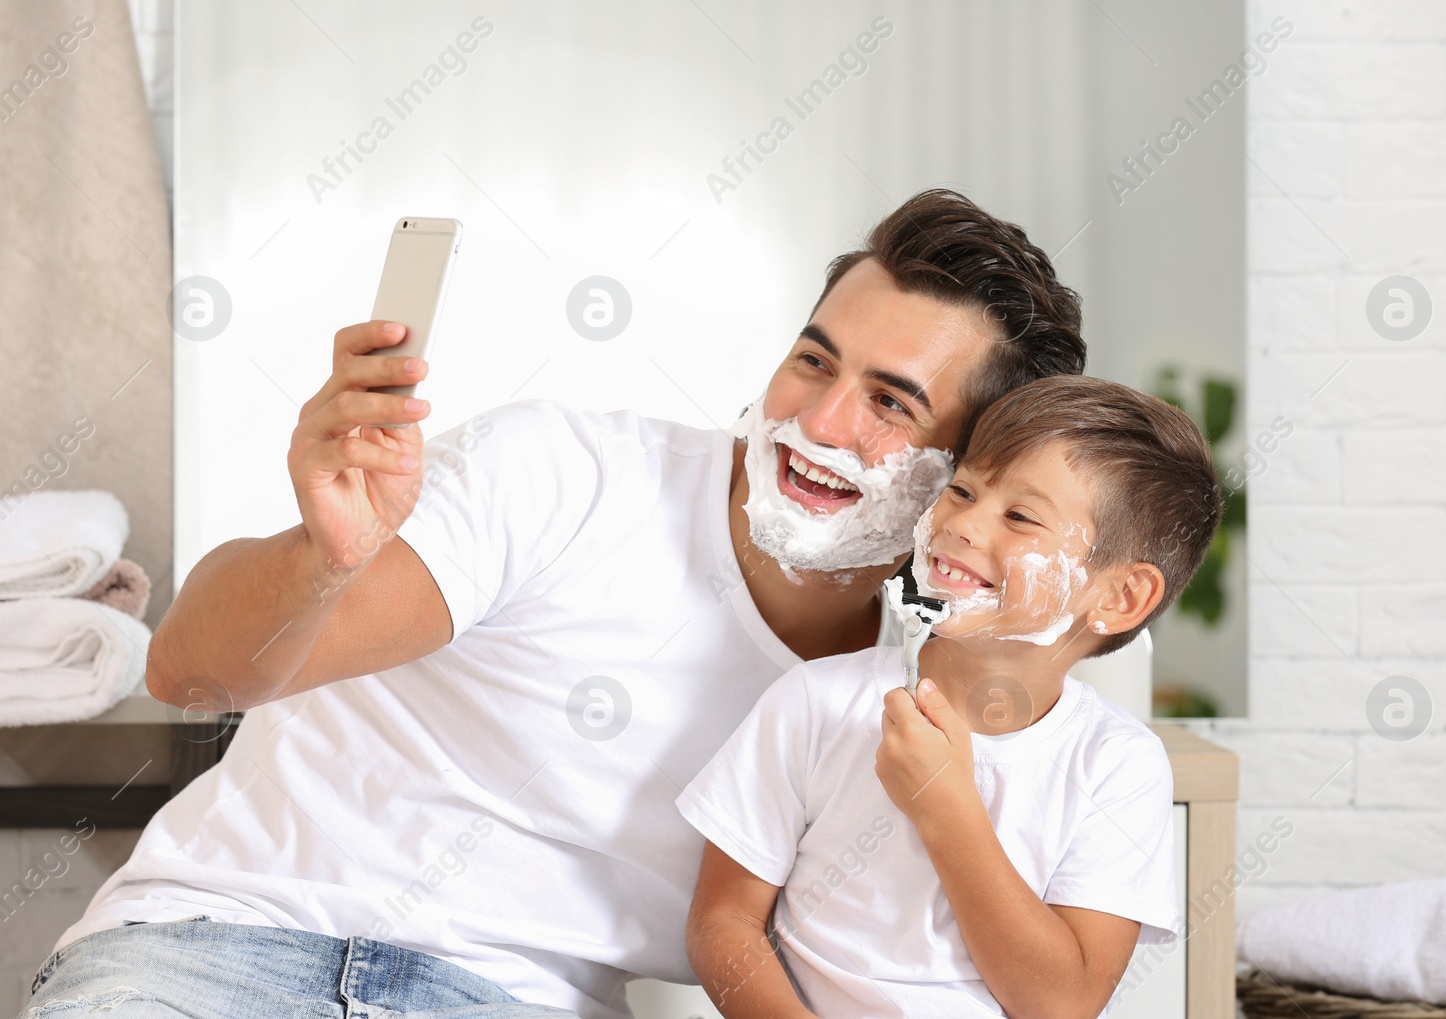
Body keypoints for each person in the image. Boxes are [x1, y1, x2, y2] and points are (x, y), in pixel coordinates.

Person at [21, 190, 1119, 1019]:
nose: (821, 421)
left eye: (890, 401)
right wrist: (326, 552)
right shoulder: (566, 472)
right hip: (213, 946)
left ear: (966, 460)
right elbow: (189, 670)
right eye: (811, 360)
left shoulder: (913, 685)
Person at [679, 374, 1221, 1019]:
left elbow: (1063, 1003)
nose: (961, 523)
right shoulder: (814, 702)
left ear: (1119, 597)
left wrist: (947, 808)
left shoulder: (1118, 766)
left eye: (1020, 516)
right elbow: (723, 921)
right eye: (961, 489)